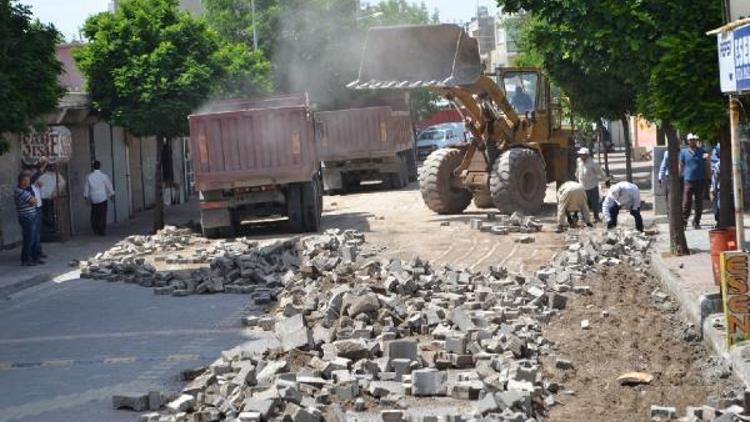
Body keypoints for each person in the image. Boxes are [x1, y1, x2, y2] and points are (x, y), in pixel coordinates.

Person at [679, 133, 709, 229]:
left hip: (700, 180)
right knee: (686, 202)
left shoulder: (702, 151)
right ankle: (684, 221)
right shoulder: (683, 152)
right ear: (688, 141)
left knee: (699, 202)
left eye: (694, 139)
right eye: (691, 139)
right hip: (688, 180)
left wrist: (709, 177)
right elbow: (681, 165)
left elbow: (707, 165)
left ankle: (696, 221)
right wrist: (679, 176)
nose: (693, 141)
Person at [14, 171, 41, 266]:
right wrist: (32, 201)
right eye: (27, 180)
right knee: (29, 239)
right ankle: (26, 259)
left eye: (29, 180)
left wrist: (33, 201)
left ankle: (34, 258)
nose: (29, 182)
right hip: (26, 218)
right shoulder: (19, 191)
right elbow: (33, 201)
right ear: (22, 181)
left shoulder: (27, 189)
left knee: (34, 238)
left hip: (32, 216)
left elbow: (35, 201)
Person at [575, 147, 606, 222]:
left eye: (582, 154)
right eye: (580, 154)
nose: (581, 156)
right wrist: (576, 178)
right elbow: (578, 171)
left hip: (592, 186)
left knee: (594, 203)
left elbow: (600, 172)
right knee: (583, 203)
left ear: (586, 155)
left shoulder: (593, 163)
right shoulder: (579, 161)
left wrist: (605, 180)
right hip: (582, 186)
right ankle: (583, 218)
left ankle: (596, 217)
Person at [84, 160, 115, 236]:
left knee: (94, 214)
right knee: (102, 214)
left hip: (93, 198)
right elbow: (109, 186)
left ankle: (95, 229)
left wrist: (86, 196)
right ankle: (102, 230)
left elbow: (86, 187)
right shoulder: (104, 176)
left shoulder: (88, 176)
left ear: (93, 167)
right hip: (102, 198)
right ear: (100, 166)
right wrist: (112, 194)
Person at [30, 159, 48, 260]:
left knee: (37, 232)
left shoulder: (35, 183)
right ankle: (34, 254)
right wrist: (43, 165)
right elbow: (36, 175)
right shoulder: (30, 182)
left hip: (38, 208)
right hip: (34, 210)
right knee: (34, 233)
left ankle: (38, 251)